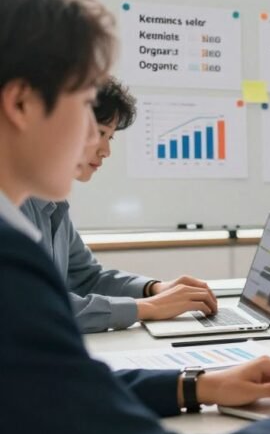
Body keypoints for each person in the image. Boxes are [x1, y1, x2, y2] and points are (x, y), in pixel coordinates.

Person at [0, 0, 270, 434]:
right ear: (22, 102)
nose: (95, 135)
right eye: (88, 103)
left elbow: (54, 389)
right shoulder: (9, 262)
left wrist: (195, 384)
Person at [20, 78, 218, 333]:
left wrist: (154, 289)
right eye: (100, 133)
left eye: (109, 137)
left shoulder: (54, 203)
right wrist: (147, 307)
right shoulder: (13, 205)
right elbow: (37, 308)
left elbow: (87, 278)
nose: (105, 150)